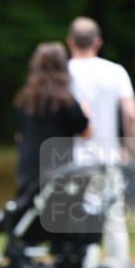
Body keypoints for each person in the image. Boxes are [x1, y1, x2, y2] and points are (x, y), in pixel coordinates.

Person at [67, 17, 135, 267]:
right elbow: (131, 113)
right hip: (110, 156)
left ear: (70, 42)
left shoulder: (65, 73)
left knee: (84, 216)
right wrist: (129, 148)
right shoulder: (115, 71)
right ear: (98, 42)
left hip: (77, 159)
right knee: (114, 217)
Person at [15, 42, 91, 204]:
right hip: (59, 169)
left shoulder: (25, 99)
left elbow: (19, 135)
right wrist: (87, 113)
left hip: (29, 168)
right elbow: (86, 134)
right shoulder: (67, 101)